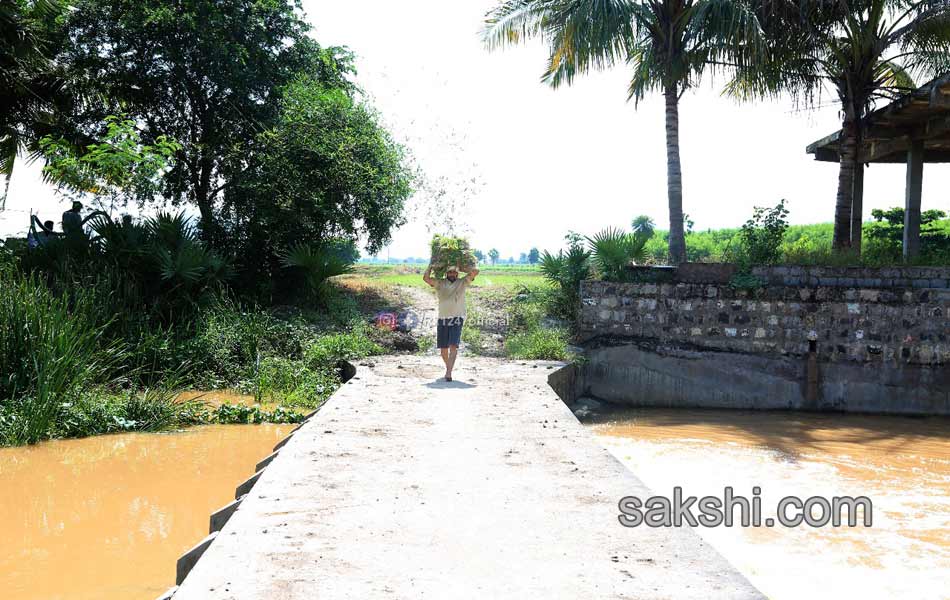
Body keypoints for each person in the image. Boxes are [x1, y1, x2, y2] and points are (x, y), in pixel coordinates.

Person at [423, 262, 479, 382]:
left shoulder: (463, 282)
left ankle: (448, 373)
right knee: (443, 349)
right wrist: (431, 266)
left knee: (453, 345)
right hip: (443, 318)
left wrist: (464, 265)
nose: (452, 274)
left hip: (457, 318)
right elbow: (426, 279)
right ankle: (449, 367)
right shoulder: (440, 283)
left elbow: (475, 272)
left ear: (457, 273)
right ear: (446, 273)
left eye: (454, 272)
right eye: (450, 272)